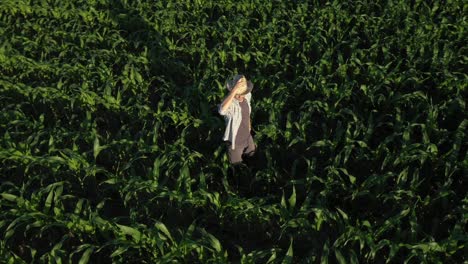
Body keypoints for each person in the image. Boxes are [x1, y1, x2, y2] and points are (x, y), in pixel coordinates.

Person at [218, 74, 256, 165]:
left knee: (252, 157)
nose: (242, 95)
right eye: (239, 92)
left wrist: (249, 126)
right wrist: (234, 91)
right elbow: (221, 111)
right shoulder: (231, 104)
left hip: (248, 137)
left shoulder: (247, 96)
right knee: (237, 166)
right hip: (235, 142)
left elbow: (247, 113)